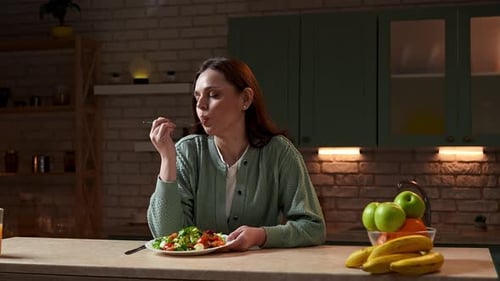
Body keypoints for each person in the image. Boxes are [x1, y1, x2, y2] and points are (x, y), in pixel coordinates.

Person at [147, 57, 326, 251]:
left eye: (213, 95)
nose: (201, 105)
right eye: (197, 97)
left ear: (246, 99)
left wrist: (262, 235)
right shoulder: (188, 152)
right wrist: (167, 159)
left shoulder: (279, 153)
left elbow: (313, 228)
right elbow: (166, 236)